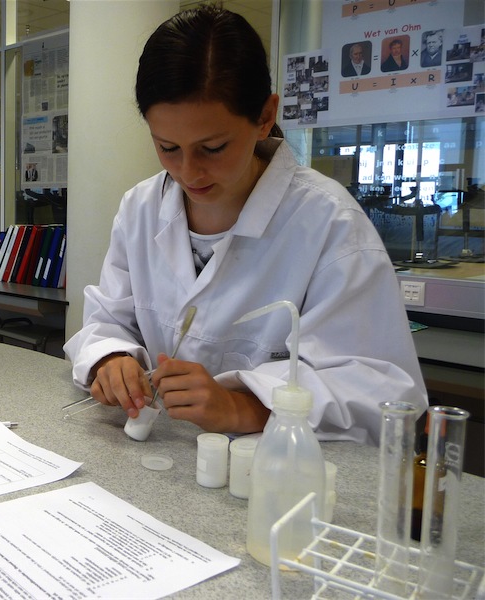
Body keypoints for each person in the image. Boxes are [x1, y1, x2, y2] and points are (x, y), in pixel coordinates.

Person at [63, 4, 427, 444]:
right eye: (167, 147)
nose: (189, 172)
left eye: (213, 147)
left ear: (265, 117)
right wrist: (111, 359)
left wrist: (244, 406)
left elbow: (382, 389)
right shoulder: (140, 208)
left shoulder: (329, 223)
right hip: (167, 456)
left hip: (276, 466)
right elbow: (107, 320)